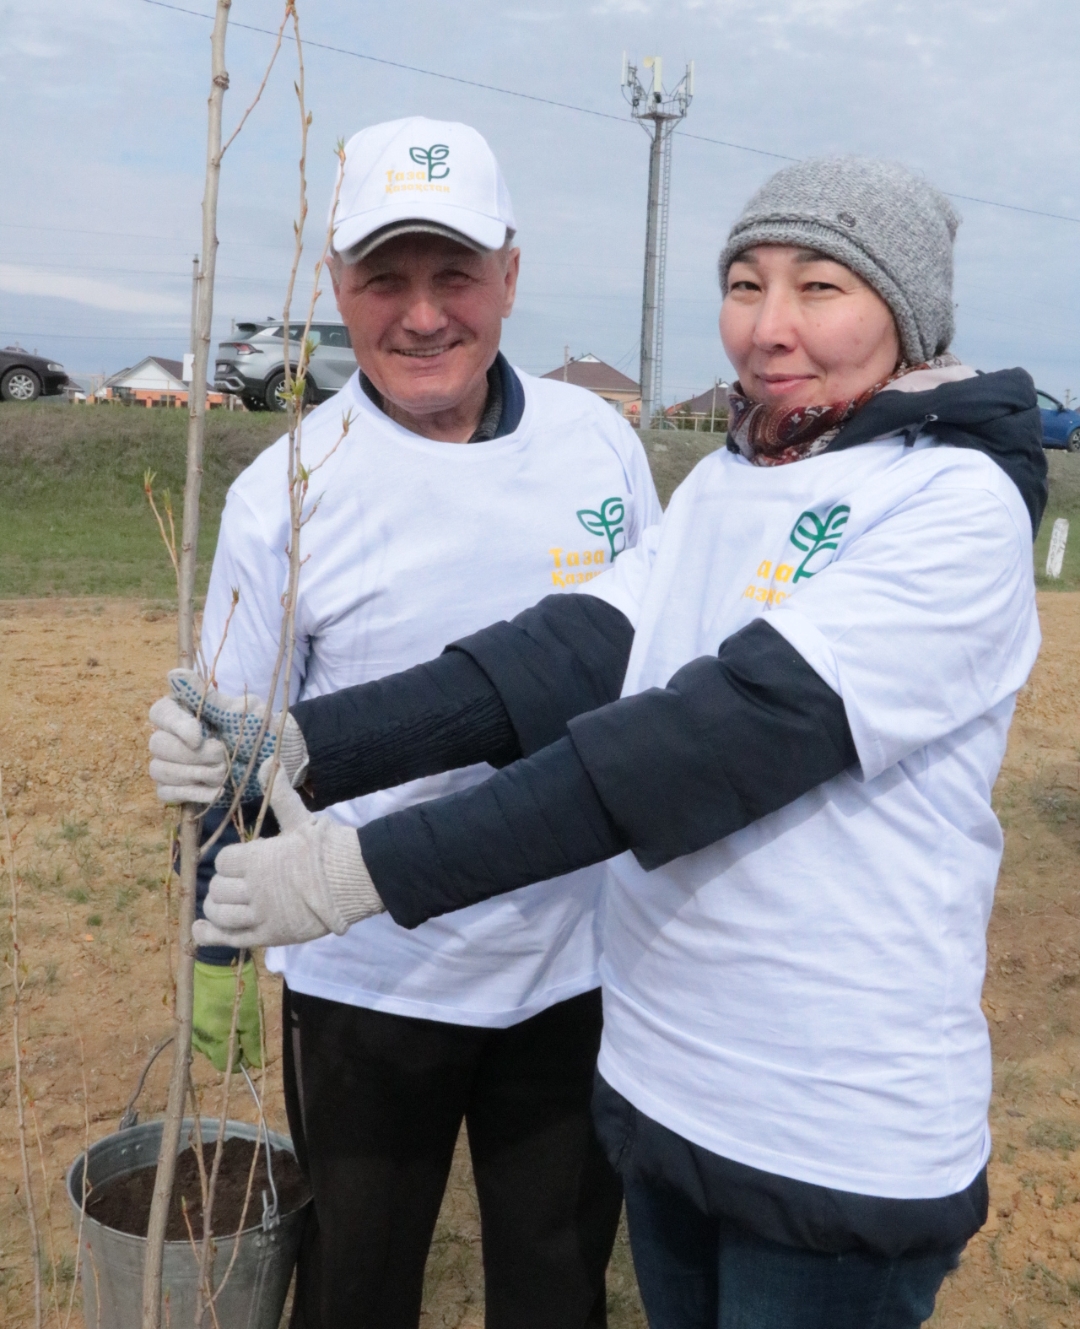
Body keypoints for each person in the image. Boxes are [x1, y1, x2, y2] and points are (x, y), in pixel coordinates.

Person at [155, 156, 1047, 1328]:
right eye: (745, 283)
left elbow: (699, 747)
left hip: (825, 1119)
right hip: (668, 1082)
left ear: (908, 316)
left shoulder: (953, 507)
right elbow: (566, 651)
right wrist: (298, 740)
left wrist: (362, 867)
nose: (769, 326)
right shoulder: (734, 481)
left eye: (821, 286)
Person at [149, 115, 660, 1329]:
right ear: (337, 286)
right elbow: (231, 750)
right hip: (367, 972)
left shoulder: (600, 443)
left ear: (511, 276)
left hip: (573, 963)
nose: (423, 316)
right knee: (355, 1289)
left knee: (558, 1284)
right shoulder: (284, 490)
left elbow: (650, 669)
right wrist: (215, 940)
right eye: (385, 278)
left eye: (456, 274)